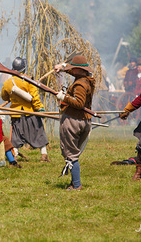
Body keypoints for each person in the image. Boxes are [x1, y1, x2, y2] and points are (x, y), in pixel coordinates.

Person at [54, 55, 96, 191]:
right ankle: (74, 183)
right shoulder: (85, 80)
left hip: (74, 120)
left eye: (73, 68)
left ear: (79, 69)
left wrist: (63, 97)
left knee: (71, 153)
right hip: (82, 120)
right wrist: (63, 67)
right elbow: (73, 71)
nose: (72, 71)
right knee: (72, 153)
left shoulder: (80, 84)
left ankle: (77, 184)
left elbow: (79, 103)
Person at [0, 57, 50, 162]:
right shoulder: (28, 80)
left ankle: (15, 156)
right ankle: (44, 155)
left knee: (16, 136)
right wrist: (39, 107)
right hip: (29, 112)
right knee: (39, 132)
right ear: (23, 69)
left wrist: (12, 96)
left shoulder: (8, 83)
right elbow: (34, 96)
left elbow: (4, 97)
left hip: (16, 114)